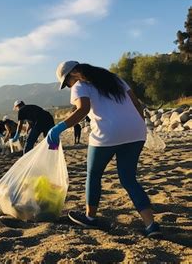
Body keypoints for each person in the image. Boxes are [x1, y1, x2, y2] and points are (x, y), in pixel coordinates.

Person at [47, 60, 160, 237]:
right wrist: (140, 126)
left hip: (107, 133)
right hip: (136, 131)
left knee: (94, 174)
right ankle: (151, 225)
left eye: (67, 83)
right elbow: (136, 103)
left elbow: (83, 109)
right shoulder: (114, 79)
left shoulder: (79, 85)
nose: (69, 87)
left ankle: (90, 217)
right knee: (129, 179)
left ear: (73, 74)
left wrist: (59, 127)